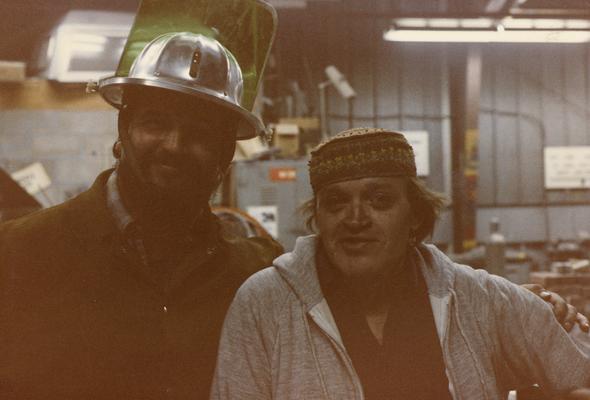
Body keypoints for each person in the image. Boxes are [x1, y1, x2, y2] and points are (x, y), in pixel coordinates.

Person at [0, 32, 282, 399]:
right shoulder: (17, 254)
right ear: (124, 130)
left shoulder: (254, 276)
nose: (174, 146)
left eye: (199, 132)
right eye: (156, 123)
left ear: (224, 154)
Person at [211, 127, 590, 400]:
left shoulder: (478, 299)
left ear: (414, 217)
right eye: (336, 203)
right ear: (318, 218)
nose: (355, 219)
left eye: (379, 200)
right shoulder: (265, 305)